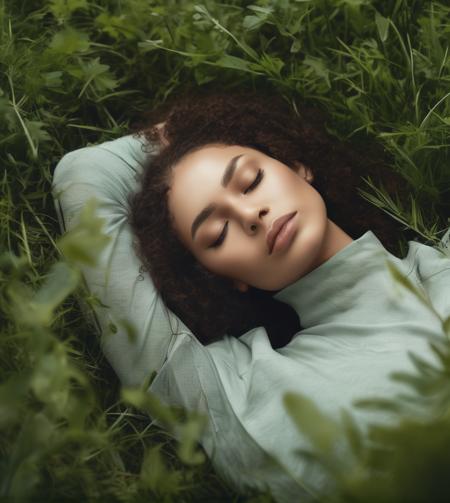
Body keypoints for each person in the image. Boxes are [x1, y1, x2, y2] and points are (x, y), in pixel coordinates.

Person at [53, 90, 450, 503]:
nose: (249, 215)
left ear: (298, 165)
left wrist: (193, 128)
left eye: (251, 181)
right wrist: (169, 143)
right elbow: (82, 173)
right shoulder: (233, 389)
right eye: (218, 233)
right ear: (224, 278)